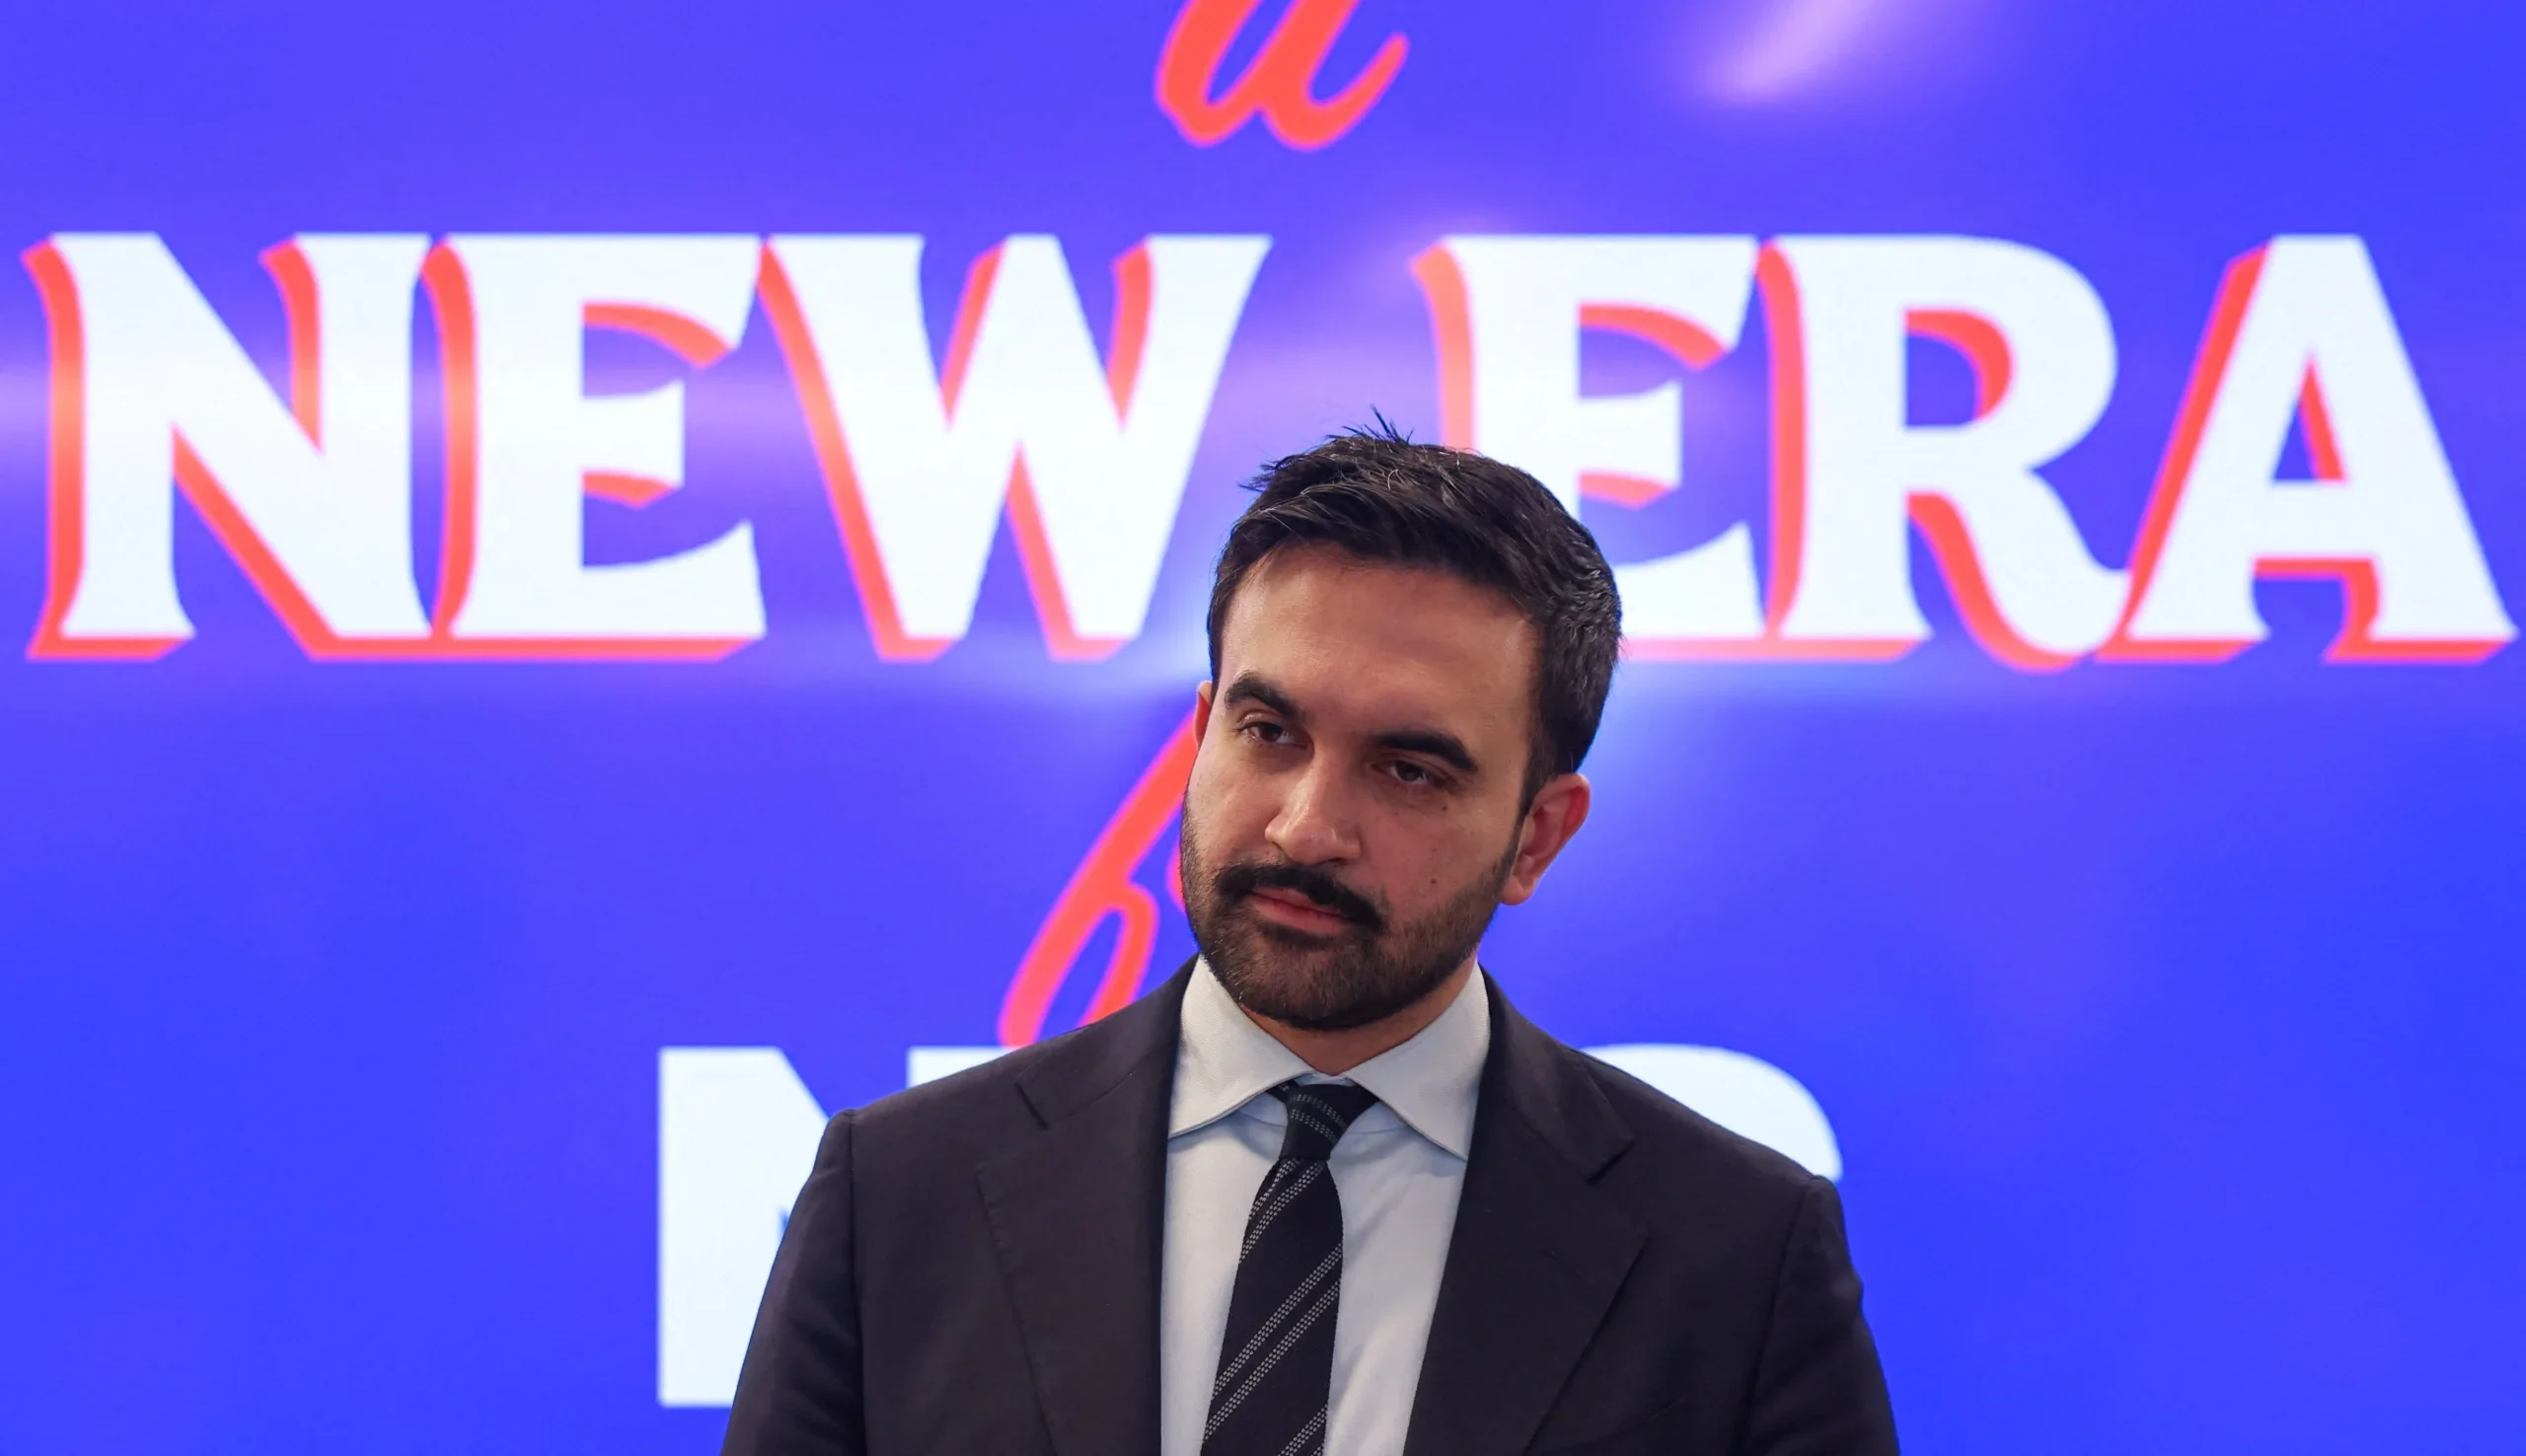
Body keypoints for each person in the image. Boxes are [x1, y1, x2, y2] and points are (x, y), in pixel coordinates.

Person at [722, 429, 1899, 1455]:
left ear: (1537, 834)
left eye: (1408, 769)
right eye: (1268, 731)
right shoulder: (900, 1195)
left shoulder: (1735, 1255)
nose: (1305, 826)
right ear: (1202, 734)